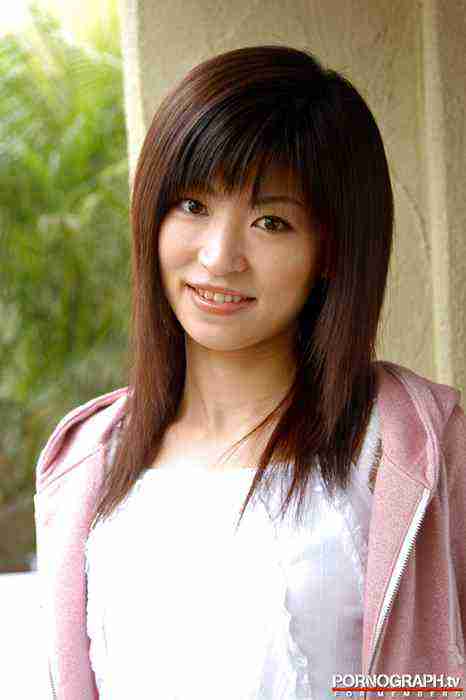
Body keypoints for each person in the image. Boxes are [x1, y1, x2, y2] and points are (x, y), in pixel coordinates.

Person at [33, 45, 465, 700]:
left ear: (330, 249)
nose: (219, 256)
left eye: (271, 221)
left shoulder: (413, 447)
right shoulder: (87, 459)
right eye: (192, 205)